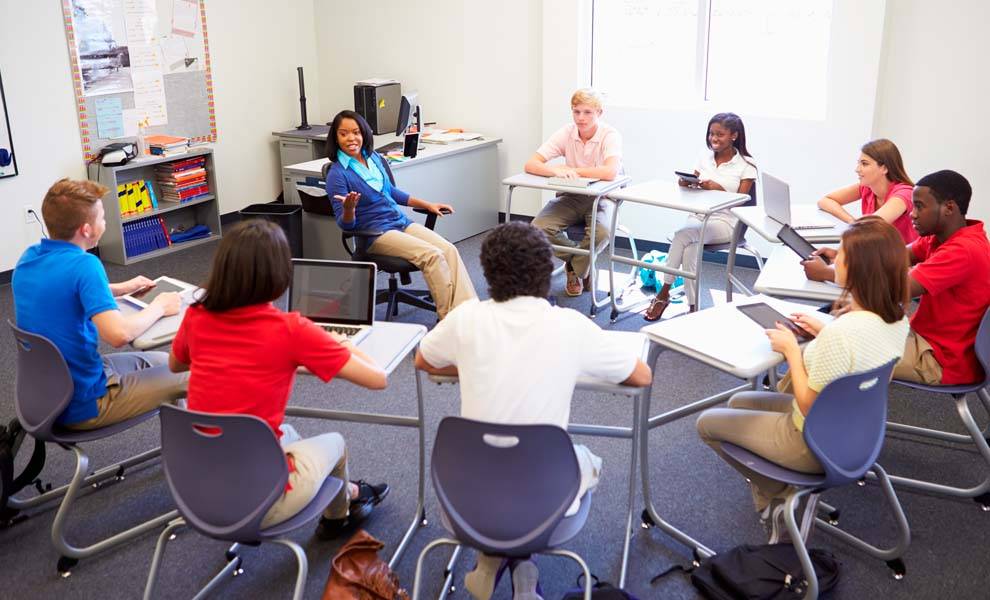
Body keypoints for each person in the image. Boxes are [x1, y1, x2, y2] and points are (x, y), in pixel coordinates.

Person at [415, 221, 652, 600]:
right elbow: (641, 375)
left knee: (508, 470)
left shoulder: (467, 317)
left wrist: (472, 360)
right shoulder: (569, 325)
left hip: (465, 496)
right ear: (548, 270)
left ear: (488, 273)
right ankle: (522, 570)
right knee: (586, 459)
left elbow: (423, 360)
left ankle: (500, 563)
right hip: (544, 499)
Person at [168, 219, 390, 537]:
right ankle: (338, 517)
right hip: (260, 502)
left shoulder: (197, 315)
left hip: (196, 490)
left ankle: (347, 491)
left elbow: (177, 365)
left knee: (287, 431)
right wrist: (344, 344)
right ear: (279, 274)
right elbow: (378, 378)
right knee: (336, 443)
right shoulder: (290, 329)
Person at [696, 216, 911, 543]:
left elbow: (808, 404)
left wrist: (791, 352)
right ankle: (781, 492)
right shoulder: (896, 320)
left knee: (708, 423)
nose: (834, 260)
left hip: (813, 442)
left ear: (859, 270)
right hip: (858, 432)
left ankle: (778, 496)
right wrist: (823, 329)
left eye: (841, 256)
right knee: (739, 401)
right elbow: (862, 353)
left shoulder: (842, 333)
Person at [12, 178, 188, 429]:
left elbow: (62, 289)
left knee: (164, 360)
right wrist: (159, 305)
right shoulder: (86, 265)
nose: (105, 224)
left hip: (46, 393)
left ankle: (180, 444)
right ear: (86, 229)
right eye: (103, 219)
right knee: (192, 373)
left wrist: (122, 288)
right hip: (83, 403)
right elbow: (119, 335)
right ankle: (198, 453)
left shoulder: (30, 257)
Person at [805, 170, 990, 386]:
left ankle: (806, 416)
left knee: (830, 346)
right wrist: (842, 256)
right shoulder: (940, 238)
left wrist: (828, 272)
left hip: (939, 358)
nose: (912, 214)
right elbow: (889, 258)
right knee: (835, 323)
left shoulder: (962, 251)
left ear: (949, 208)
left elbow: (891, 289)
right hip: (925, 337)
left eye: (920, 206)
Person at [325, 110, 476, 319]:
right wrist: (350, 209)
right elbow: (346, 226)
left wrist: (428, 204)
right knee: (432, 256)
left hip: (399, 222)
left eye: (356, 132)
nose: (351, 138)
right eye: (343, 134)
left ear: (364, 134)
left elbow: (392, 193)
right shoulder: (337, 174)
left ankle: (469, 314)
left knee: (448, 250)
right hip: (375, 233)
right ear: (336, 138)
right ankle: (448, 321)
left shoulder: (374, 158)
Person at [644, 112, 757, 321]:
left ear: (734, 135)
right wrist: (687, 183)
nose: (713, 139)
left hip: (726, 221)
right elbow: (694, 183)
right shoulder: (704, 156)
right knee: (689, 250)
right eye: (711, 134)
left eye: (720, 134)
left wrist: (716, 188)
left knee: (681, 236)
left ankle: (663, 294)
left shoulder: (747, 165)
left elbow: (743, 201)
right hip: (699, 215)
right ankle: (693, 308)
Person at [525, 88, 623, 297]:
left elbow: (610, 171)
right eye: (576, 111)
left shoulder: (610, 135)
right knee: (538, 228)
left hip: (602, 197)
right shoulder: (566, 132)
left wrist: (572, 171)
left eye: (587, 112)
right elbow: (531, 164)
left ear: (599, 113)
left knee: (602, 233)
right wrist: (554, 170)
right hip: (572, 196)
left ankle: (576, 270)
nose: (581, 118)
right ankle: (581, 265)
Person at [816, 138, 918, 243]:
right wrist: (851, 221)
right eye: (859, 163)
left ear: (884, 168)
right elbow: (824, 201)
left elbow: (871, 227)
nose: (857, 169)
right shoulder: (867, 187)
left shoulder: (904, 193)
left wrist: (856, 225)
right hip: (878, 253)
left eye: (864, 164)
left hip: (902, 258)